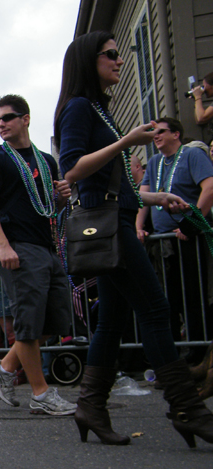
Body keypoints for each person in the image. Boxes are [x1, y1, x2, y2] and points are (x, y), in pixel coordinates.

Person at [54, 31, 209, 447]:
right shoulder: (79, 107)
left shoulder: (98, 109)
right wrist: (126, 142)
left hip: (115, 218)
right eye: (111, 54)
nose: (119, 60)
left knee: (112, 320)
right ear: (89, 61)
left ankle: (90, 406)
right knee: (155, 310)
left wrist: (155, 197)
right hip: (110, 227)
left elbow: (111, 184)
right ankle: (188, 410)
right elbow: (72, 169)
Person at [0, 94, 76, 417]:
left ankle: (6, 367)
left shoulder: (46, 161)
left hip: (47, 246)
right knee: (28, 324)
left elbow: (48, 207)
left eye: (6, 118)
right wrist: (3, 245)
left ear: (26, 119)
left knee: (55, 320)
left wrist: (62, 198)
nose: (1, 124)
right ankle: (41, 393)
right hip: (19, 247)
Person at [136, 117, 213, 361]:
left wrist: (193, 224)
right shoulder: (155, 162)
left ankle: (200, 353)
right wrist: (138, 227)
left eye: (161, 131)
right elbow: (143, 198)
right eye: (153, 133)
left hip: (189, 238)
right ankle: (172, 355)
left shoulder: (192, 155)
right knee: (168, 298)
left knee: (194, 296)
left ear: (176, 134)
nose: (155, 136)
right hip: (163, 242)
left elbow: (210, 188)